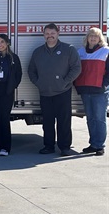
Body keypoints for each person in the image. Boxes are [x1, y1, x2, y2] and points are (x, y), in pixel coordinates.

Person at [28, 23, 81, 156]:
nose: (50, 36)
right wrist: (39, 83)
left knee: (64, 121)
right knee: (47, 122)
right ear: (43, 35)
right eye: (47, 33)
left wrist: (65, 82)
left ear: (58, 33)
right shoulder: (38, 52)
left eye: (52, 33)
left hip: (63, 92)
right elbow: (31, 70)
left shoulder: (68, 49)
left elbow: (76, 68)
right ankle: (48, 146)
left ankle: (65, 147)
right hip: (45, 92)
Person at [73, 27, 109, 156]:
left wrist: (104, 84)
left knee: (99, 118)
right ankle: (93, 144)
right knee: (91, 119)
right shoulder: (80, 52)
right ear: (87, 38)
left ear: (100, 39)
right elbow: (75, 69)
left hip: (99, 91)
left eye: (96, 36)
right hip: (85, 90)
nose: (93, 38)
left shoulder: (105, 51)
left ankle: (99, 145)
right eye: (90, 36)